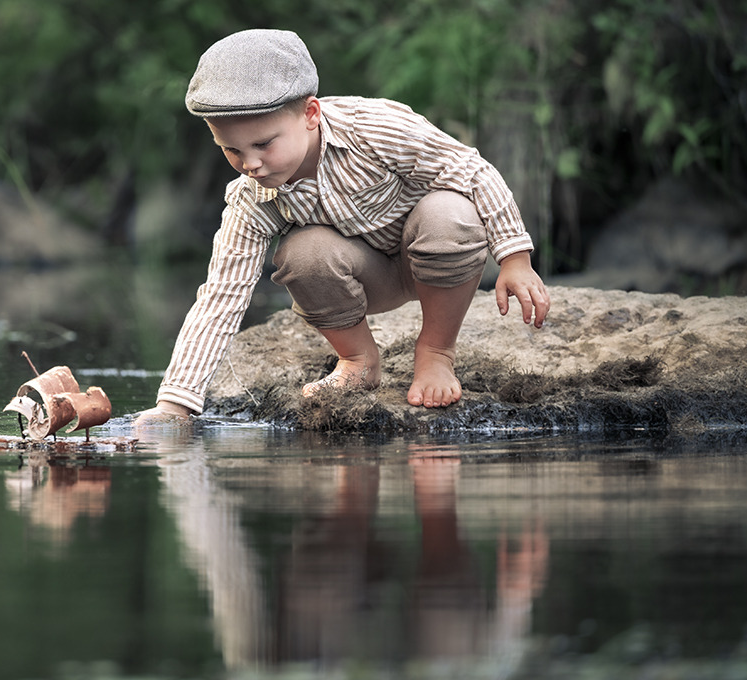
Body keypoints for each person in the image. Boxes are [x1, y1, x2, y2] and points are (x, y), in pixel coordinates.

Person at [134, 29, 550, 420]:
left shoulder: (375, 128)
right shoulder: (253, 196)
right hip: (366, 282)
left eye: (263, 144)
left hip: (432, 257)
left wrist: (514, 256)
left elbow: (470, 170)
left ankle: (436, 352)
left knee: (449, 212)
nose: (251, 164)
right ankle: (358, 360)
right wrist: (175, 403)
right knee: (302, 253)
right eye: (231, 150)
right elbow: (221, 297)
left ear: (311, 113)